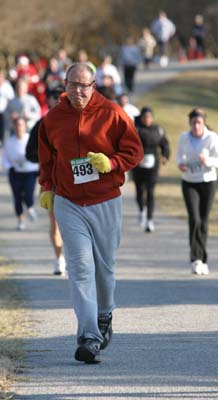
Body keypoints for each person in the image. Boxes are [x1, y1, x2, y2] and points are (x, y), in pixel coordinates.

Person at [38, 62, 143, 363]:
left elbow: (134, 151)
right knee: (80, 266)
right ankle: (88, 336)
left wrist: (110, 163)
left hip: (105, 200)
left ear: (94, 86)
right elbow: (47, 158)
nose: (78, 91)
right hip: (68, 202)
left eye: (84, 85)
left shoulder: (112, 113)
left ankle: (104, 314)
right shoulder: (54, 119)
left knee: (104, 268)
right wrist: (47, 187)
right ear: (65, 85)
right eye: (73, 84)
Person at [26, 86, 66, 276]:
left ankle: (77, 257)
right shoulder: (42, 125)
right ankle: (59, 259)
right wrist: (48, 157)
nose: (59, 101)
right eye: (55, 98)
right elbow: (30, 154)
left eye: (61, 97)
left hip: (76, 179)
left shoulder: (76, 122)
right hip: (50, 181)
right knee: (55, 222)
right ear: (49, 101)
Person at [176, 108, 218, 275]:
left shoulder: (212, 138)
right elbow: (179, 156)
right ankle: (196, 258)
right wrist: (180, 164)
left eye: (199, 122)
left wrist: (206, 160)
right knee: (194, 218)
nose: (196, 125)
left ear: (203, 123)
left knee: (204, 220)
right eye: (193, 122)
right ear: (190, 123)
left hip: (208, 181)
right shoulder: (184, 138)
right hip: (189, 181)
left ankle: (204, 258)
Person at [132, 107, 170, 232]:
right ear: (141, 118)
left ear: (152, 118)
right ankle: (141, 209)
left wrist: (165, 155)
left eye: (149, 117)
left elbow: (165, 144)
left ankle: (149, 220)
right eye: (144, 117)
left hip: (153, 165)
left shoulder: (158, 130)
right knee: (139, 191)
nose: (147, 119)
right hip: (138, 165)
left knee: (150, 191)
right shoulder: (135, 129)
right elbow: (129, 145)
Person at [1, 117, 39, 231]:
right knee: (17, 197)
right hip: (15, 173)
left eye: (21, 125)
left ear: (25, 126)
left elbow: (38, 154)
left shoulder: (30, 139)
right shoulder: (9, 142)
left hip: (30, 172)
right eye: (17, 125)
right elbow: (4, 158)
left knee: (28, 194)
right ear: (14, 127)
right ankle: (20, 220)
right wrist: (9, 168)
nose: (19, 127)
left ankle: (30, 207)